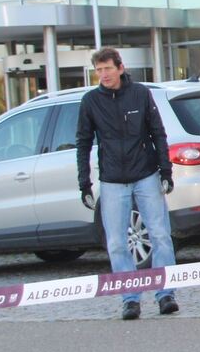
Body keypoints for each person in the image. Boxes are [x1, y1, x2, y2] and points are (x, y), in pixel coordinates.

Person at [76, 47, 178, 321]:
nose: (103, 74)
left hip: (146, 175)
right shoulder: (91, 101)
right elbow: (83, 142)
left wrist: (165, 171)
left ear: (120, 68)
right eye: (98, 70)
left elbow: (158, 132)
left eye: (108, 68)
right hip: (112, 181)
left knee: (159, 235)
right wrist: (83, 182)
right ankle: (130, 298)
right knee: (117, 242)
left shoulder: (141, 94)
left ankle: (165, 293)